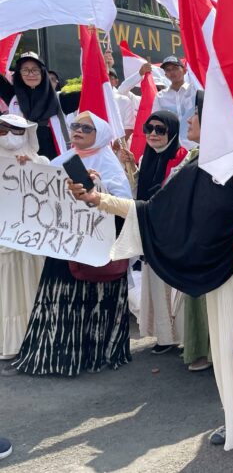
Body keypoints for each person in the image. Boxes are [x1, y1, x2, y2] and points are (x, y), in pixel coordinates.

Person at [68, 97, 233, 455]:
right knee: (230, 354)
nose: (187, 124)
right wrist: (99, 199)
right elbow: (151, 213)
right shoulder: (196, 168)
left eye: (196, 117)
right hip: (223, 280)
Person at [4, 112, 133, 377]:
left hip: (96, 248)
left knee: (95, 302)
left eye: (86, 128)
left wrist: (98, 185)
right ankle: (60, 356)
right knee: (63, 300)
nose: (78, 131)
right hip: (64, 247)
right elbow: (44, 189)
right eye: (75, 125)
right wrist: (26, 166)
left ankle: (96, 354)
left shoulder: (109, 164)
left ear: (101, 134)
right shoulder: (60, 160)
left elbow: (123, 204)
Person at [119, 111, 188, 355]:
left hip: (173, 233)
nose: (154, 135)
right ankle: (165, 336)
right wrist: (132, 167)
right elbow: (142, 192)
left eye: (161, 130)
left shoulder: (182, 159)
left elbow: (172, 193)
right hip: (151, 230)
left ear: (172, 132)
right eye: (149, 129)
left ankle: (186, 338)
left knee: (177, 288)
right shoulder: (147, 157)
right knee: (156, 286)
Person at [0, 115, 46, 361]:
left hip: (33, 243)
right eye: (2, 130)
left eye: (17, 131)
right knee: (8, 291)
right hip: (4, 244)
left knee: (33, 286)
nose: (9, 135)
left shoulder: (40, 161)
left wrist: (32, 169)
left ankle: (38, 337)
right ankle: (11, 341)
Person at [179, 93, 211, 372]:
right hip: (196, 241)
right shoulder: (194, 157)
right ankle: (200, 347)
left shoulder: (222, 160)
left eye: (196, 114)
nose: (189, 119)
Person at [0, 52, 70, 159]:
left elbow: (95, 90)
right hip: (22, 162)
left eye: (35, 70)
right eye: (25, 70)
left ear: (43, 72)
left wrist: (105, 68)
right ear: (19, 74)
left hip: (56, 162)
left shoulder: (60, 99)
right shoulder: (13, 97)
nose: (30, 74)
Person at [147, 56, 198, 150]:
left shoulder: (194, 91)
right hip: (172, 147)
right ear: (165, 75)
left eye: (175, 68)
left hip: (195, 144)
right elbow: (156, 122)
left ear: (184, 71)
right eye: (168, 70)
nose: (172, 72)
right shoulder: (161, 96)